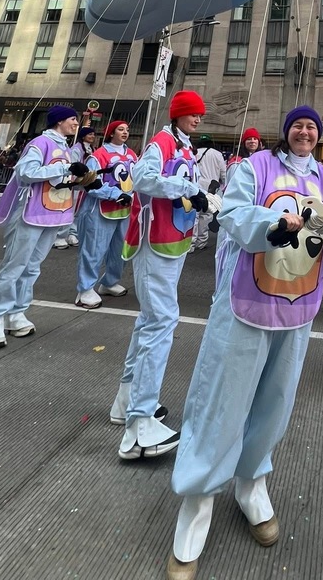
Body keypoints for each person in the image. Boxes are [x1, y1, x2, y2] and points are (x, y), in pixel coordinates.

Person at [165, 106, 323, 580]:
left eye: (312, 127)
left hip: (298, 306)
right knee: (223, 402)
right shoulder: (255, 168)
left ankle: (251, 483)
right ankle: (196, 506)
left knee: (275, 403)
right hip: (246, 302)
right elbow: (234, 214)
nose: (305, 132)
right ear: (286, 132)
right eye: (298, 125)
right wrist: (273, 224)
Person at [112, 91, 217, 461]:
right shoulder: (163, 140)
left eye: (200, 115)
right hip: (154, 241)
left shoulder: (183, 145)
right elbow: (142, 178)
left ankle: (127, 401)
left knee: (150, 321)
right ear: (178, 115)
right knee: (160, 321)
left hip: (172, 241)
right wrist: (189, 189)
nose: (197, 119)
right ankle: (139, 428)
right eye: (192, 114)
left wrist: (199, 197)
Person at [0, 106, 98, 349]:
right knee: (14, 266)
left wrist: (81, 182)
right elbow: (25, 172)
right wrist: (65, 169)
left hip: (53, 216)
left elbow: (58, 181)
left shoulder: (66, 148)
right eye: (73, 119)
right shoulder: (40, 143)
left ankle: (17, 313)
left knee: (32, 267)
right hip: (30, 214)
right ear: (59, 121)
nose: (76, 124)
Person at [74, 120, 138, 308]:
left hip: (125, 211)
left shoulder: (132, 155)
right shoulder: (98, 156)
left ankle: (109, 282)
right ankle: (85, 289)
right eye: (120, 129)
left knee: (121, 251)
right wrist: (116, 194)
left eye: (127, 129)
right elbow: (89, 184)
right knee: (94, 250)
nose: (125, 132)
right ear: (111, 133)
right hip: (99, 210)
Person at [53, 125, 96, 249]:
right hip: (75, 184)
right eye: (90, 134)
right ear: (83, 136)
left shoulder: (92, 149)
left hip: (85, 184)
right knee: (69, 209)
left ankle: (73, 233)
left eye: (93, 134)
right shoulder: (76, 149)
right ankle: (60, 236)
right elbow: (73, 165)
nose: (92, 136)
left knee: (79, 210)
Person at [190, 137, 227, 253]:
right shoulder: (217, 154)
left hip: (195, 185)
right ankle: (201, 242)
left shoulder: (194, 152)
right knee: (206, 215)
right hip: (211, 187)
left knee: (194, 215)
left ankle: (190, 243)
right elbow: (224, 173)